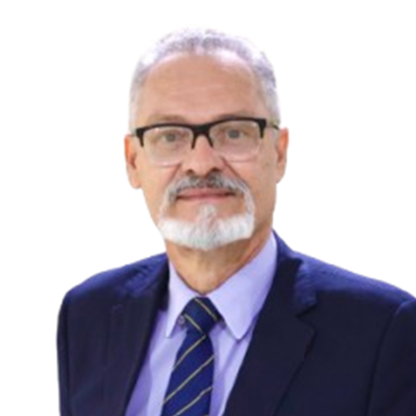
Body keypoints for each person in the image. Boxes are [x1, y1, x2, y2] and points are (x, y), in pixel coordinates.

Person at [57, 28, 416, 416]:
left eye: (233, 132)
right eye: (169, 136)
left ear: (279, 153)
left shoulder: (383, 333)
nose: (201, 163)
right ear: (132, 161)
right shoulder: (89, 315)